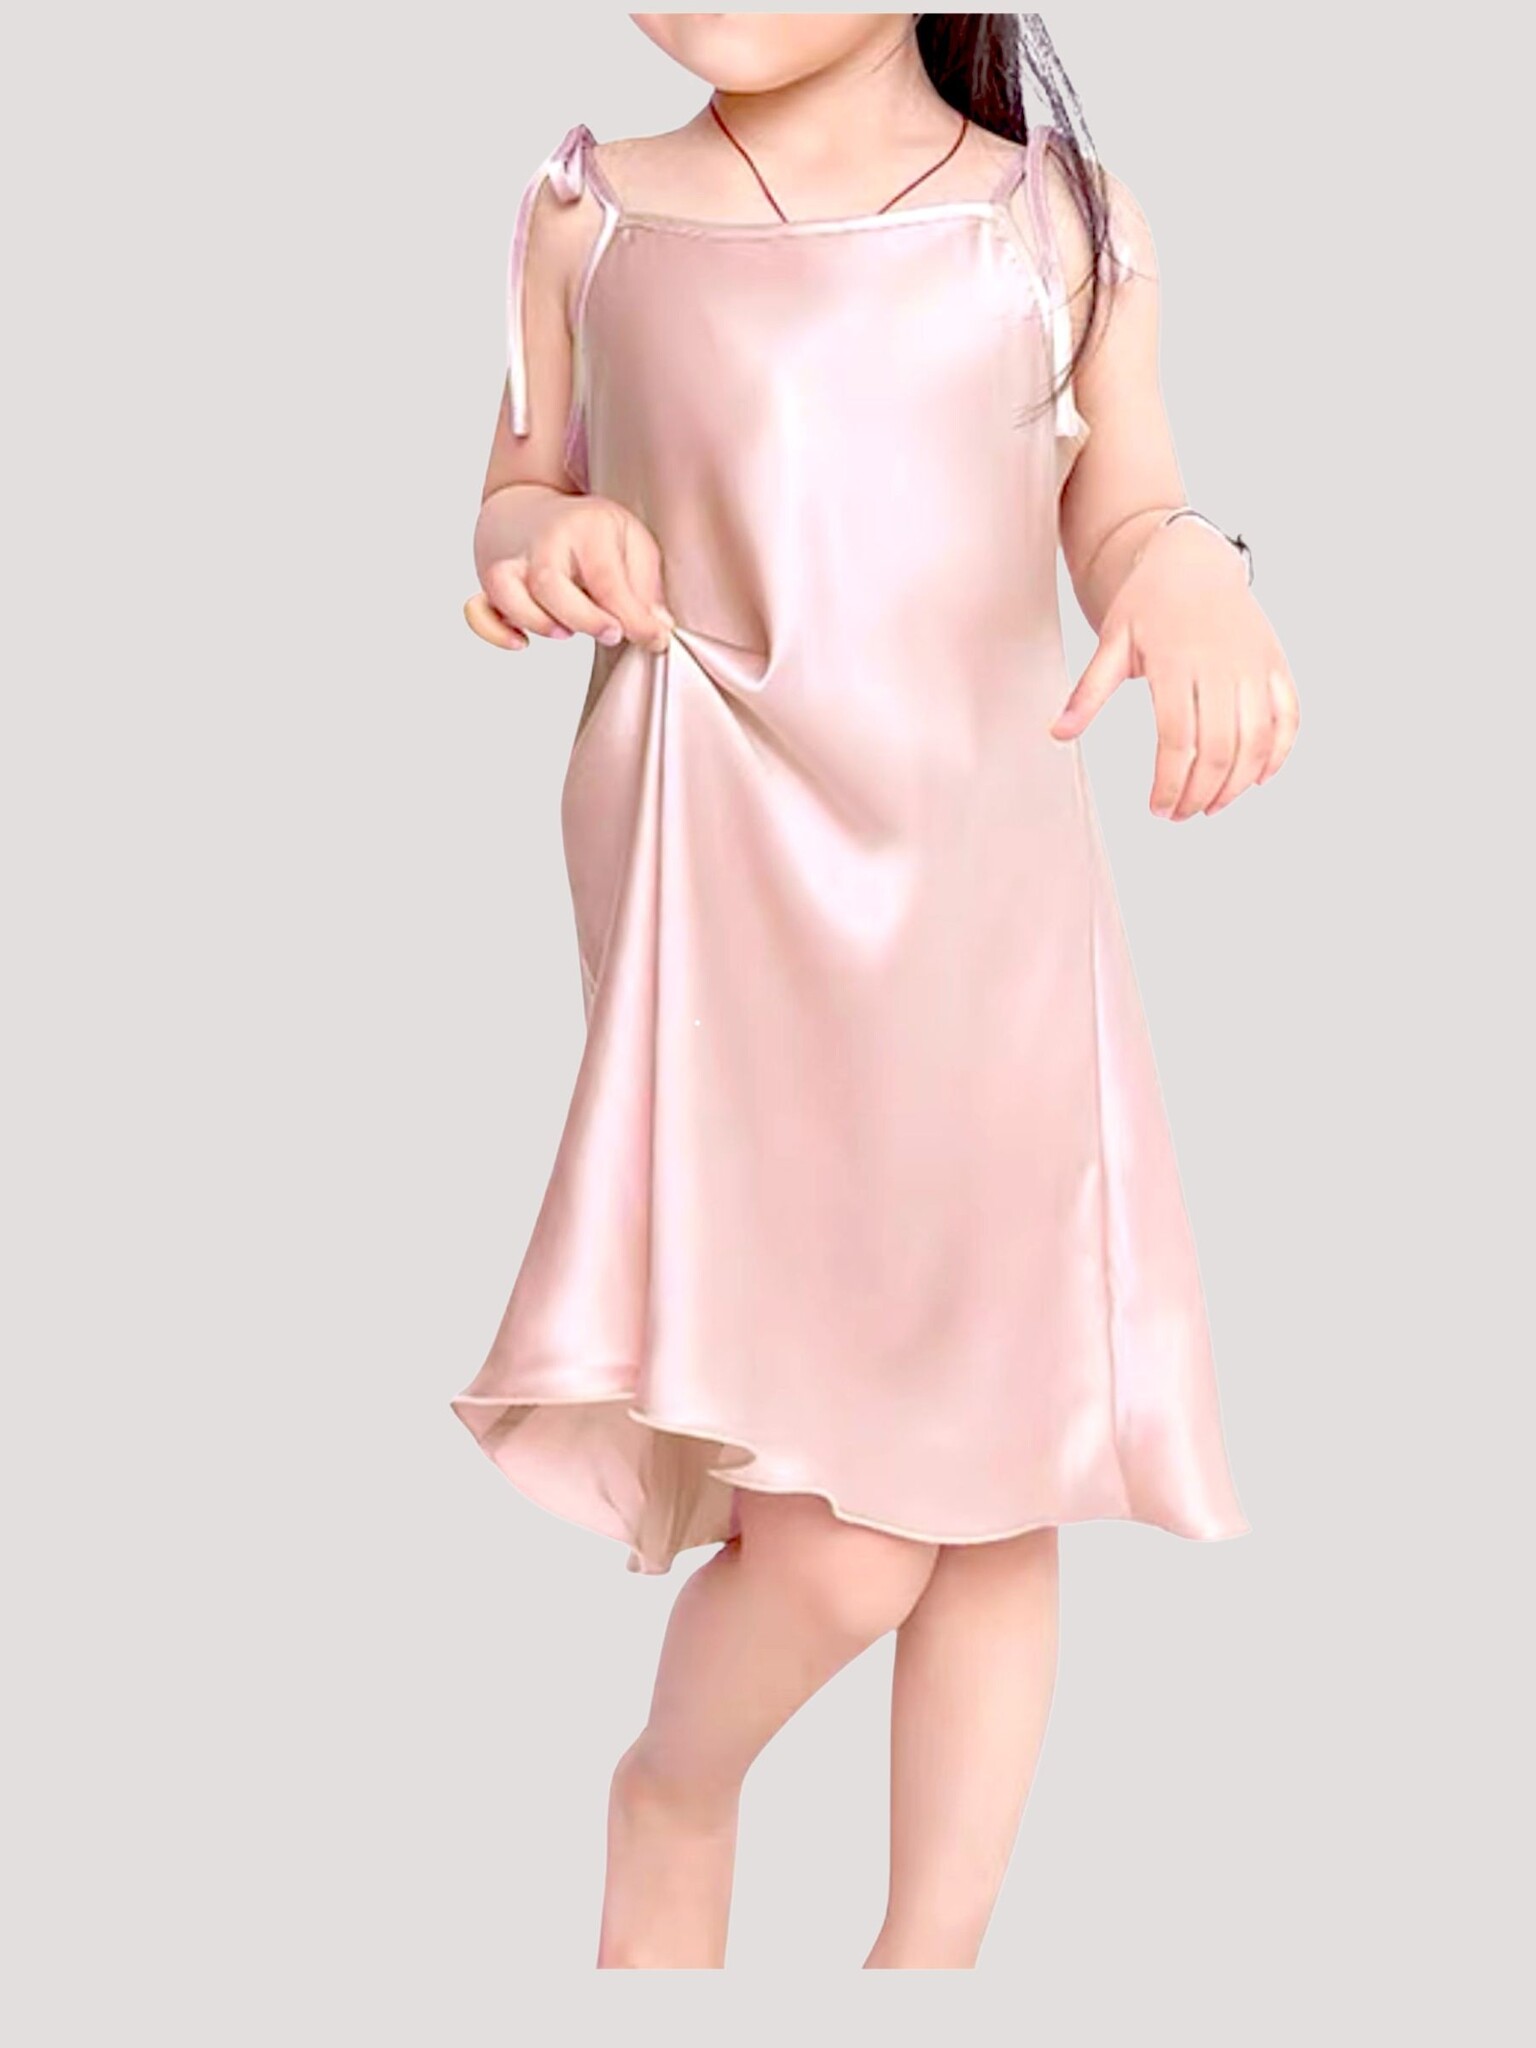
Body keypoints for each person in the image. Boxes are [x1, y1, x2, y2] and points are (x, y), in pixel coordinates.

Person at [455, 11, 1300, 1970]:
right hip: (726, 880)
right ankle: (675, 1787)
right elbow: (507, 487)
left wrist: (1188, 568)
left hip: (985, 905)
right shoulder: (588, 210)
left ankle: (931, 1972)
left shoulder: (1061, 223)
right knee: (840, 1541)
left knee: (1000, 1463)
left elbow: (1124, 500)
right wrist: (542, 538)